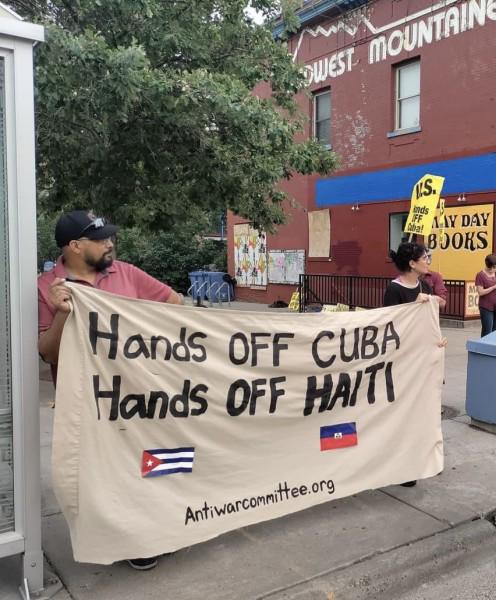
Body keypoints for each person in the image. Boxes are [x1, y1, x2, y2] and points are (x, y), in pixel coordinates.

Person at [38, 210, 183, 571]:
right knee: (103, 476)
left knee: (147, 466)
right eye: (100, 239)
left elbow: (174, 304)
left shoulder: (127, 273)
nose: (110, 243)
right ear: (74, 246)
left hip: (139, 396)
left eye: (110, 237)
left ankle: (149, 536)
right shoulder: (46, 287)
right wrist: (60, 313)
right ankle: (123, 538)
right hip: (87, 403)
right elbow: (47, 352)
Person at [384, 242, 447, 488]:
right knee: (404, 414)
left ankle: (423, 459)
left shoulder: (426, 285)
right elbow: (390, 327)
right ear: (412, 263)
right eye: (425, 257)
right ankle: (403, 468)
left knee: (424, 412)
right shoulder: (394, 290)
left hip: (425, 360)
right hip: (404, 363)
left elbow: (434, 315)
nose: (428, 261)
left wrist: (437, 340)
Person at [475, 253, 496, 337]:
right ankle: (482, 350)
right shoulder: (480, 275)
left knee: (494, 332)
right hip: (486, 307)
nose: (494, 269)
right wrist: (493, 287)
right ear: (487, 265)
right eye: (492, 267)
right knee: (487, 331)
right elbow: (480, 292)